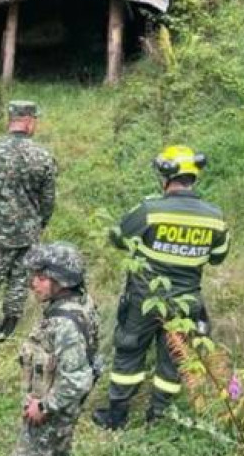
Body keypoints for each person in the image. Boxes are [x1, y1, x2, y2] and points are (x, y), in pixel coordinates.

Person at [91, 145, 229, 430]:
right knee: (173, 360)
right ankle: (159, 417)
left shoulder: (150, 211)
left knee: (129, 351)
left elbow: (117, 237)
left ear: (166, 176)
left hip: (144, 298)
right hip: (187, 302)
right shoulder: (215, 217)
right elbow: (217, 258)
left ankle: (117, 416)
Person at [10, 242, 100, 456]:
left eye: (40, 277)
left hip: (52, 410)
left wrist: (44, 406)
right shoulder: (82, 303)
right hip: (65, 410)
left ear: (61, 281)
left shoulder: (64, 324)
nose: (33, 284)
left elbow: (76, 379)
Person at [0, 100, 57, 341]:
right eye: (35, 120)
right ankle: (9, 326)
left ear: (12, 120)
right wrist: (40, 224)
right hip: (27, 234)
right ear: (27, 121)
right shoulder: (43, 155)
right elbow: (48, 200)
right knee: (19, 278)